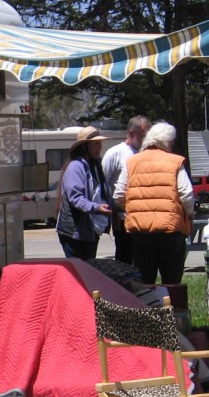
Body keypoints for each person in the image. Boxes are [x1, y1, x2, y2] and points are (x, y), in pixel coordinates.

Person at [114, 121, 194, 285]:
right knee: (171, 281)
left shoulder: (132, 162)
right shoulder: (175, 162)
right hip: (170, 229)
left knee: (145, 281)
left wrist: (133, 209)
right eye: (171, 142)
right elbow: (187, 194)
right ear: (167, 141)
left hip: (140, 231)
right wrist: (189, 214)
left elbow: (118, 195)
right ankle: (172, 308)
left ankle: (148, 309)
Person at [55, 126, 112, 261]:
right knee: (80, 273)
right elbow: (76, 198)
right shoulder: (76, 166)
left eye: (101, 143)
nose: (100, 147)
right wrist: (97, 208)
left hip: (89, 231)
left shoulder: (94, 166)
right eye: (96, 143)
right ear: (85, 146)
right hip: (75, 233)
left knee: (87, 271)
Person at [101, 115, 150, 263]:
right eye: (143, 135)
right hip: (122, 217)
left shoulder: (145, 154)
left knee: (142, 258)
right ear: (131, 133)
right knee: (125, 256)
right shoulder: (115, 153)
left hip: (143, 216)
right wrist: (112, 212)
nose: (145, 140)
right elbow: (104, 184)